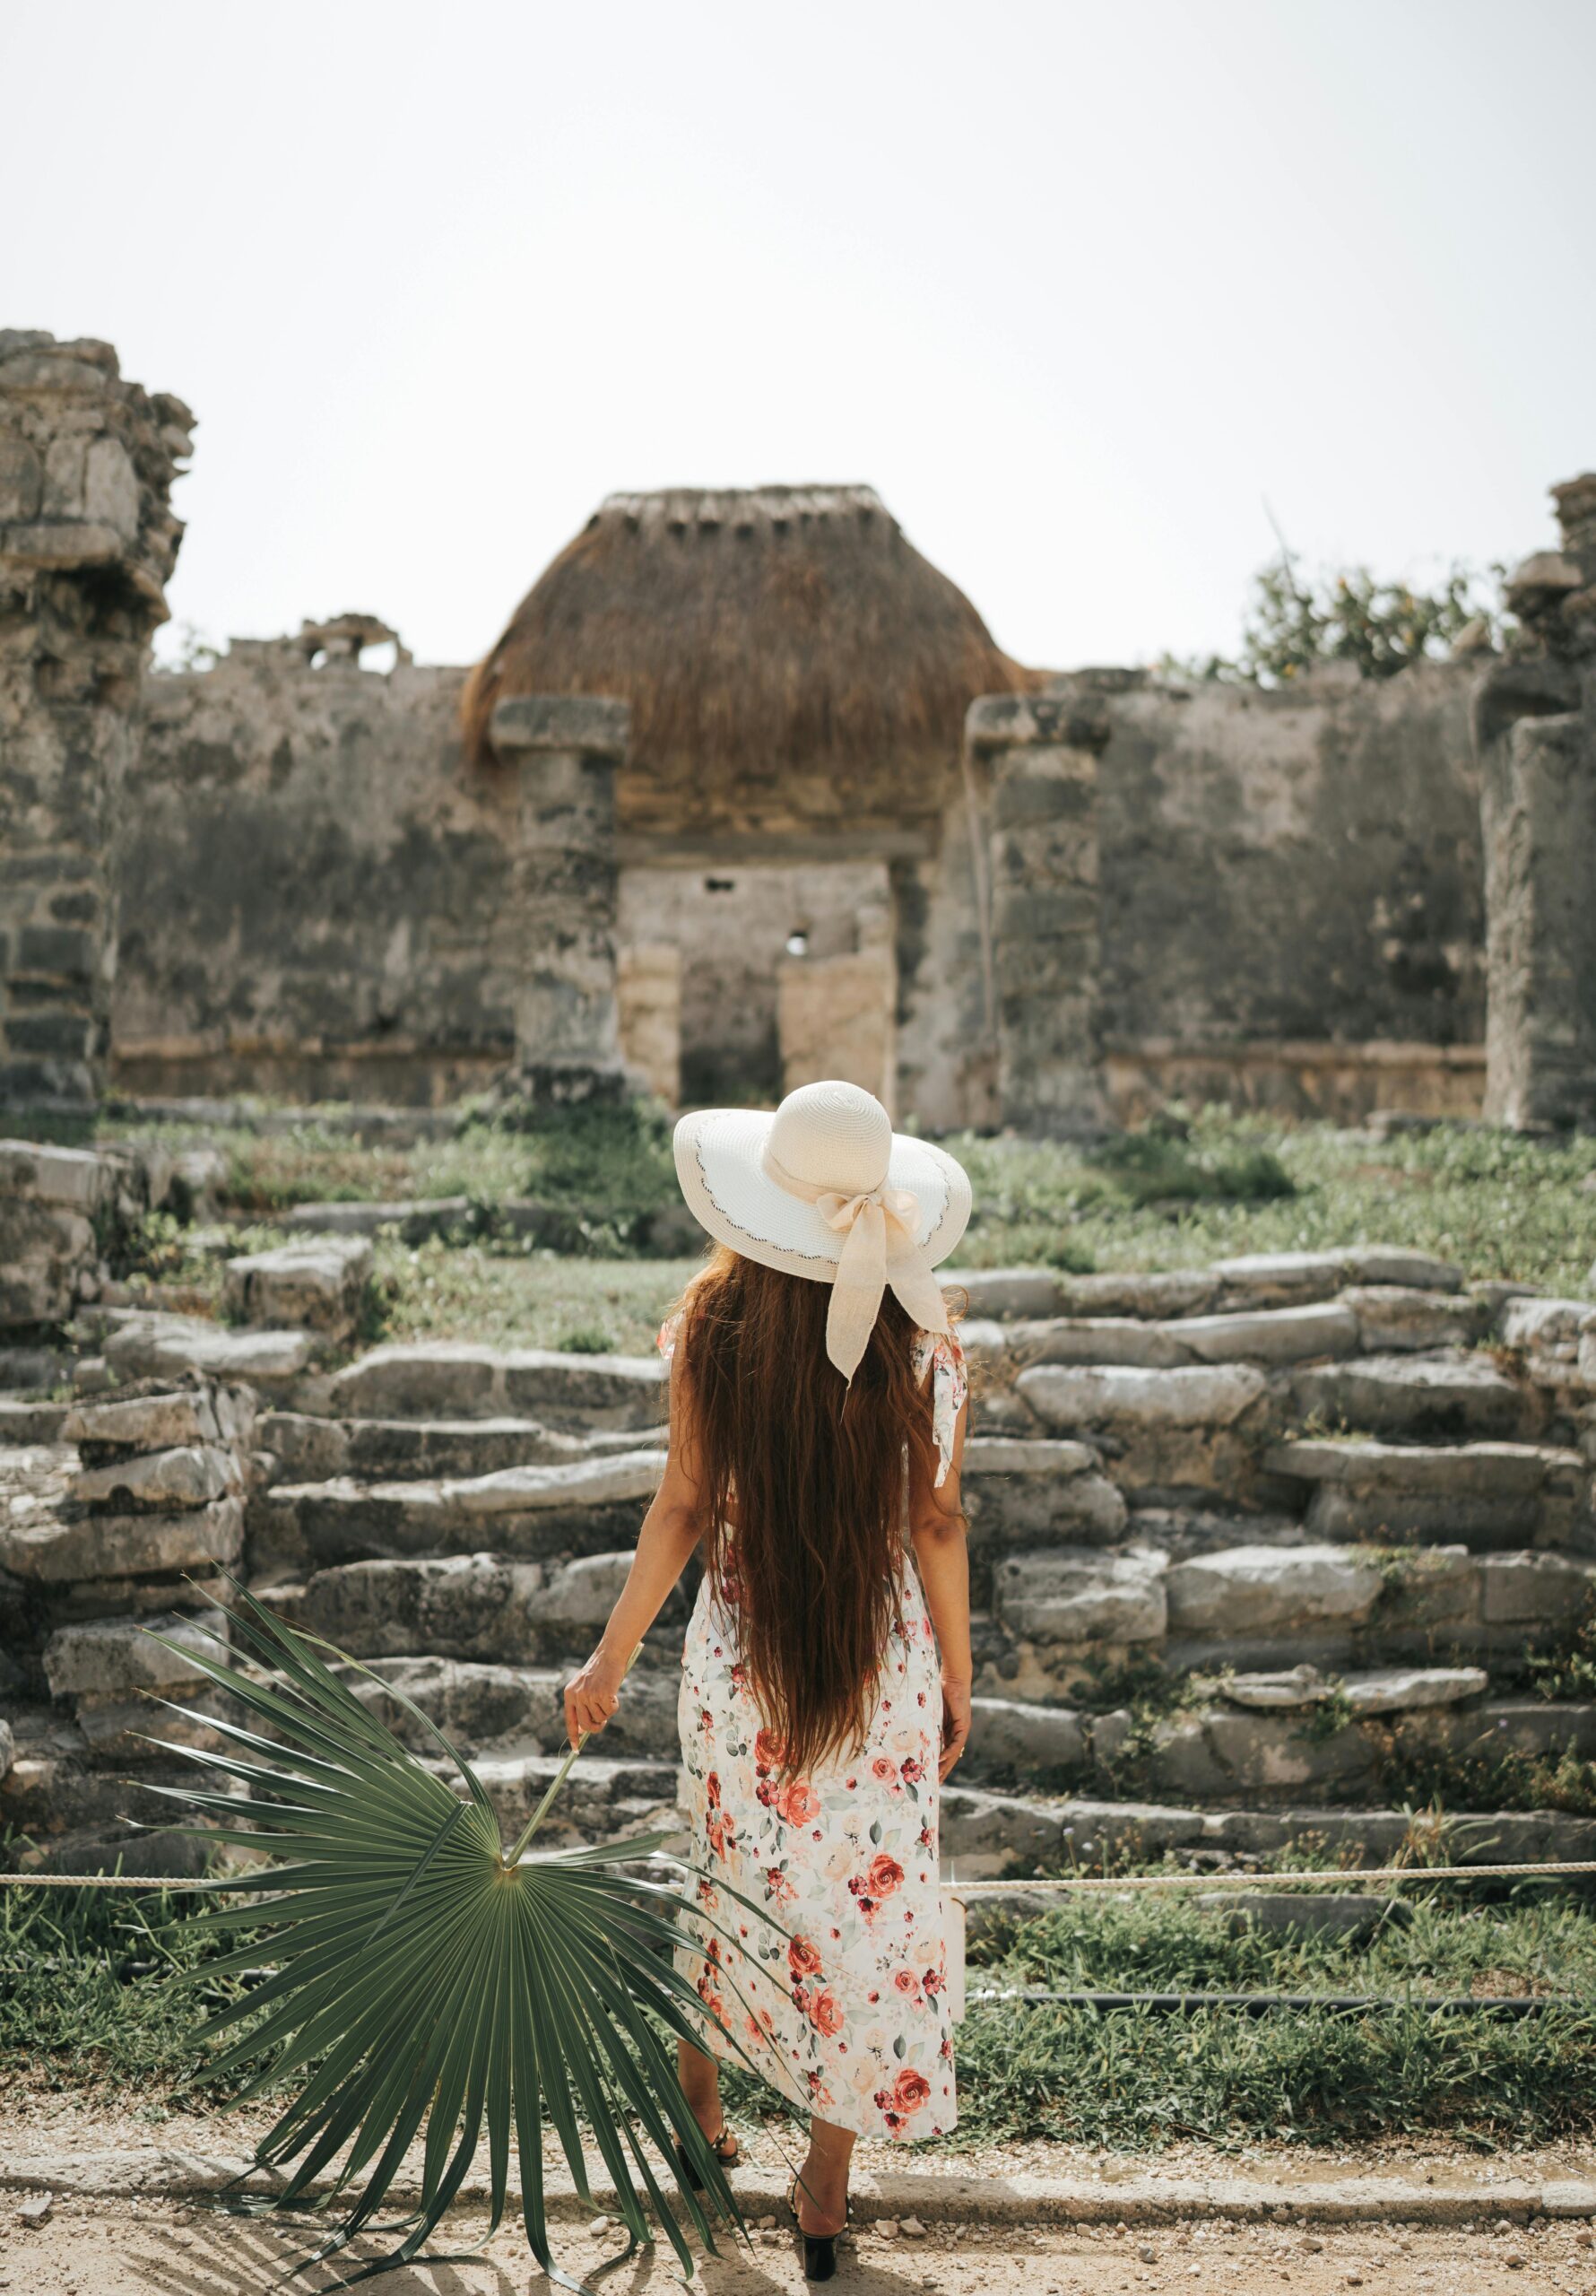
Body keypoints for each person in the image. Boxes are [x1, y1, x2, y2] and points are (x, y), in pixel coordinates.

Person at [563, 1078, 974, 2282]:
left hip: (742, 1664)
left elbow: (684, 1504)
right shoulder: (927, 1333)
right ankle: (828, 2188)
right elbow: (938, 1526)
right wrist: (957, 1674)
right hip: (875, 1668)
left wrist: (610, 1656)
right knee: (867, 1911)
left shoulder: (712, 1327)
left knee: (726, 1879)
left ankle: (698, 2114)